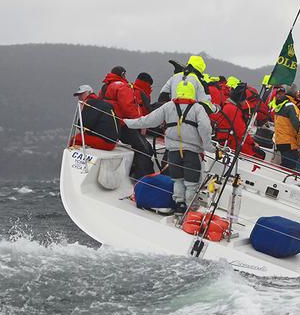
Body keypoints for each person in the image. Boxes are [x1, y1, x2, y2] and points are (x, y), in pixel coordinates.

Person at [123, 80, 213, 215]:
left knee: (177, 179)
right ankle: (189, 208)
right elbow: (205, 128)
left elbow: (149, 120)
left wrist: (126, 122)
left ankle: (179, 204)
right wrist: (209, 147)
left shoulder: (168, 106)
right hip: (192, 152)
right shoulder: (198, 108)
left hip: (173, 151)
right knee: (191, 181)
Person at [100, 66, 154, 178]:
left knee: (142, 145)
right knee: (144, 148)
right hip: (123, 126)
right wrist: (141, 122)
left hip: (109, 126)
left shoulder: (105, 87)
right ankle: (142, 178)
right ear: (123, 74)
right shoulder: (122, 87)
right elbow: (128, 107)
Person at [211, 82, 265, 159]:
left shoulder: (228, 106)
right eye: (244, 100)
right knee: (259, 154)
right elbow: (241, 132)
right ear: (240, 100)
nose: (245, 102)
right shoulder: (234, 110)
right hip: (230, 142)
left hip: (225, 138)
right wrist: (253, 143)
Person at [70, 84, 120, 150]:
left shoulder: (90, 103)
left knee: (74, 140)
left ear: (89, 93)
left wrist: (79, 124)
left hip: (105, 143)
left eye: (82, 94)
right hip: (112, 141)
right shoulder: (102, 103)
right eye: (78, 95)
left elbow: (85, 124)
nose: (79, 97)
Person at [272, 84, 300, 169]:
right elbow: (297, 123)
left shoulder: (280, 106)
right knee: (289, 168)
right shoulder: (290, 106)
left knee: (285, 165)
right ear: (294, 94)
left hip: (280, 141)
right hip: (289, 143)